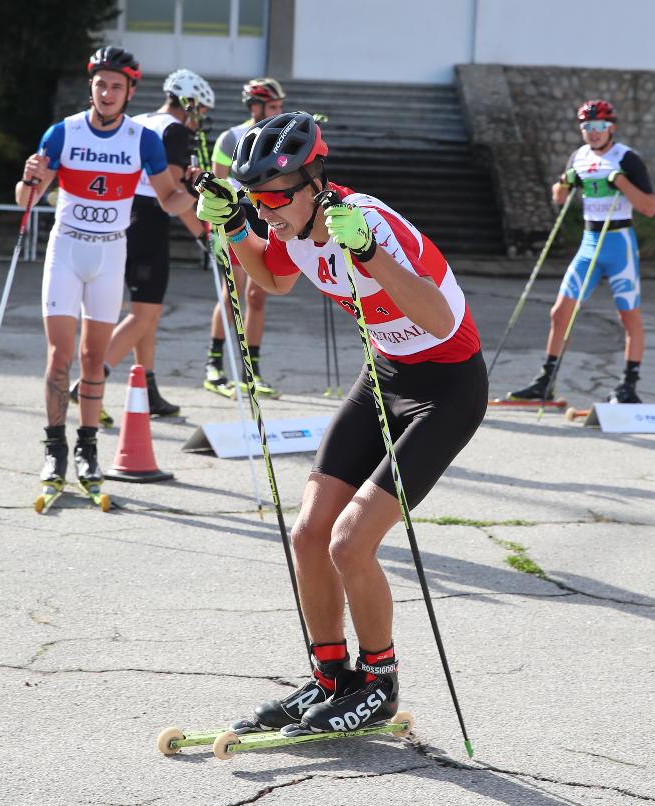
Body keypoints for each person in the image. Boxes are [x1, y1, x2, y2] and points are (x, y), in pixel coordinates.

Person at [195, 111, 487, 735]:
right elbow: (274, 279)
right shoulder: (292, 224)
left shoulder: (369, 222)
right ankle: (332, 676)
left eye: (274, 197)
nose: (266, 209)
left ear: (314, 183)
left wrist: (369, 254)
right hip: (386, 374)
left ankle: (379, 682)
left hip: (447, 389)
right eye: (254, 197)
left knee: (349, 541)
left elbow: (441, 321)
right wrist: (235, 227)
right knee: (307, 535)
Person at [16, 47, 189, 491]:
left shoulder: (143, 140)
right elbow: (27, 199)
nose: (107, 93)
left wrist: (197, 191)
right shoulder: (63, 133)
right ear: (90, 87)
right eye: (100, 85)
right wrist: (28, 177)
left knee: (94, 359)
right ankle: (55, 449)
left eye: (116, 86)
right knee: (59, 356)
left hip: (111, 254)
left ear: (130, 91)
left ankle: (87, 449)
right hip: (67, 250)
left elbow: (169, 200)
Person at [71, 68, 216, 422]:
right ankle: (89, 381)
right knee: (145, 314)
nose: (200, 119)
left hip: (117, 217)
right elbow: (173, 196)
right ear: (189, 103)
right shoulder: (175, 130)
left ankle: (146, 388)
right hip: (148, 221)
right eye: (200, 110)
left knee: (143, 309)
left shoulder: (138, 121)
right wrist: (204, 235)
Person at [507, 99, 655, 405]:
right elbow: (559, 198)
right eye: (587, 126)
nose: (593, 132)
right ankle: (545, 381)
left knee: (628, 316)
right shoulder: (579, 157)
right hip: (590, 243)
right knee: (560, 312)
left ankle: (629, 385)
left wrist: (619, 181)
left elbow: (649, 207)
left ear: (611, 128)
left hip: (619, 243)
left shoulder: (626, 158)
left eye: (600, 126)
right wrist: (565, 182)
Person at [202, 78, 287, 398]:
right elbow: (215, 187)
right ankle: (214, 364)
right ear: (255, 107)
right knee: (232, 293)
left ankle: (253, 371)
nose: (279, 111)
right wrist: (214, 230)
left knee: (257, 296)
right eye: (273, 107)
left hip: (267, 217)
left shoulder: (279, 138)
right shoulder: (231, 138)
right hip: (237, 217)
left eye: (280, 106)